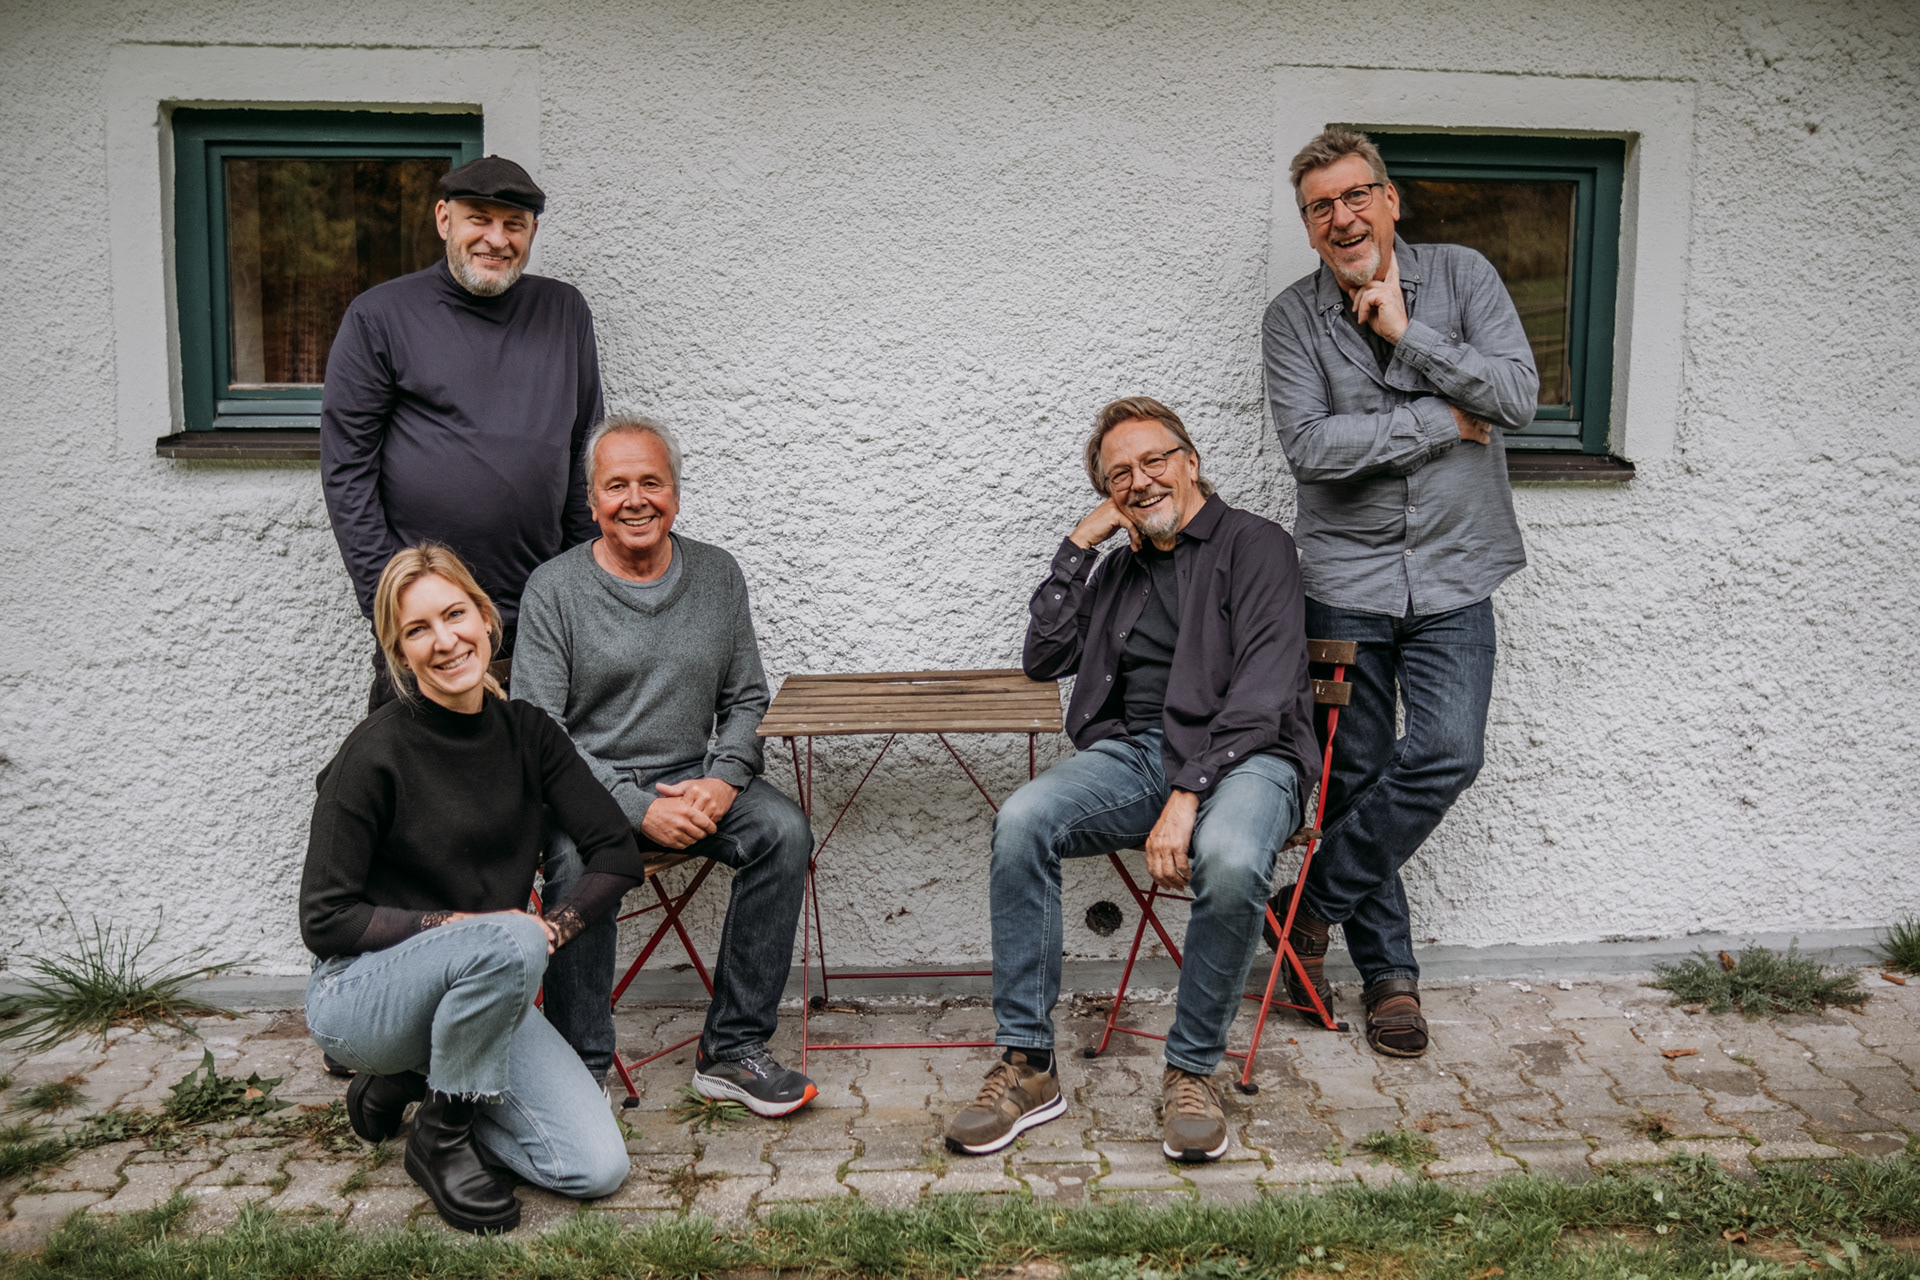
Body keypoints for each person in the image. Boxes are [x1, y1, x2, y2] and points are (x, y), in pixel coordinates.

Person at [942, 397, 1318, 1164]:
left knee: (1231, 858)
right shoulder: (1118, 567)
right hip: (1141, 755)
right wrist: (1079, 545)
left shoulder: (1257, 545)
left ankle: (1191, 1072)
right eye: (1119, 475)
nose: (1140, 481)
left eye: (1154, 461)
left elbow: (1262, 693)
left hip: (1251, 756)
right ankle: (1028, 1065)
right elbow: (1044, 658)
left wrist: (1188, 793)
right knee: (1023, 820)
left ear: (1191, 462)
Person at [1260, 128, 1539, 1059]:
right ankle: (1390, 981)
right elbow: (1312, 449)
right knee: (1355, 776)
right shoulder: (1291, 321)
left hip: (1459, 571)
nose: (1341, 218)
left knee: (1449, 753)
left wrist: (1407, 336)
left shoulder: (1463, 277)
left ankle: (1305, 908)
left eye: (1355, 197)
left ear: (1389, 200)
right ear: (1308, 227)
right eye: (1321, 208)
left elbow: (1517, 397)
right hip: (1346, 583)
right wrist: (1443, 420)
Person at [300, 544, 639, 1233]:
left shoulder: (529, 734)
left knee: (597, 1168)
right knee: (507, 936)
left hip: (486, 983)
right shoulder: (374, 751)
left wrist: (553, 929)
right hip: (361, 994)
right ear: (400, 653)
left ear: (487, 619)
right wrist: (460, 927)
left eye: (455, 615)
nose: (445, 640)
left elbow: (615, 851)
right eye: (418, 629)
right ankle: (440, 1134)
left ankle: (418, 1078)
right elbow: (325, 919)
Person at [513, 415, 818, 1117]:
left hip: (693, 778)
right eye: (616, 485)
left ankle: (732, 1050)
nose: (635, 499)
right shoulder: (553, 589)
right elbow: (541, 733)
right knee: (574, 868)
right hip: (586, 793)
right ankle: (581, 1070)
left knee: (784, 832)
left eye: (651, 482)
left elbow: (746, 699)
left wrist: (723, 779)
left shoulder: (717, 575)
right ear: (592, 501)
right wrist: (637, 808)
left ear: (675, 493)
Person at [321, 154, 604, 711]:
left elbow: (584, 461)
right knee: (420, 763)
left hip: (541, 617)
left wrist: (580, 590)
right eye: (479, 219)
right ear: (443, 219)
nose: (496, 239)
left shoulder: (564, 312)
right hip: (431, 625)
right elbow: (347, 473)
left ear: (532, 232)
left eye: (513, 224)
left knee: (537, 761)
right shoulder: (380, 316)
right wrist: (395, 605)